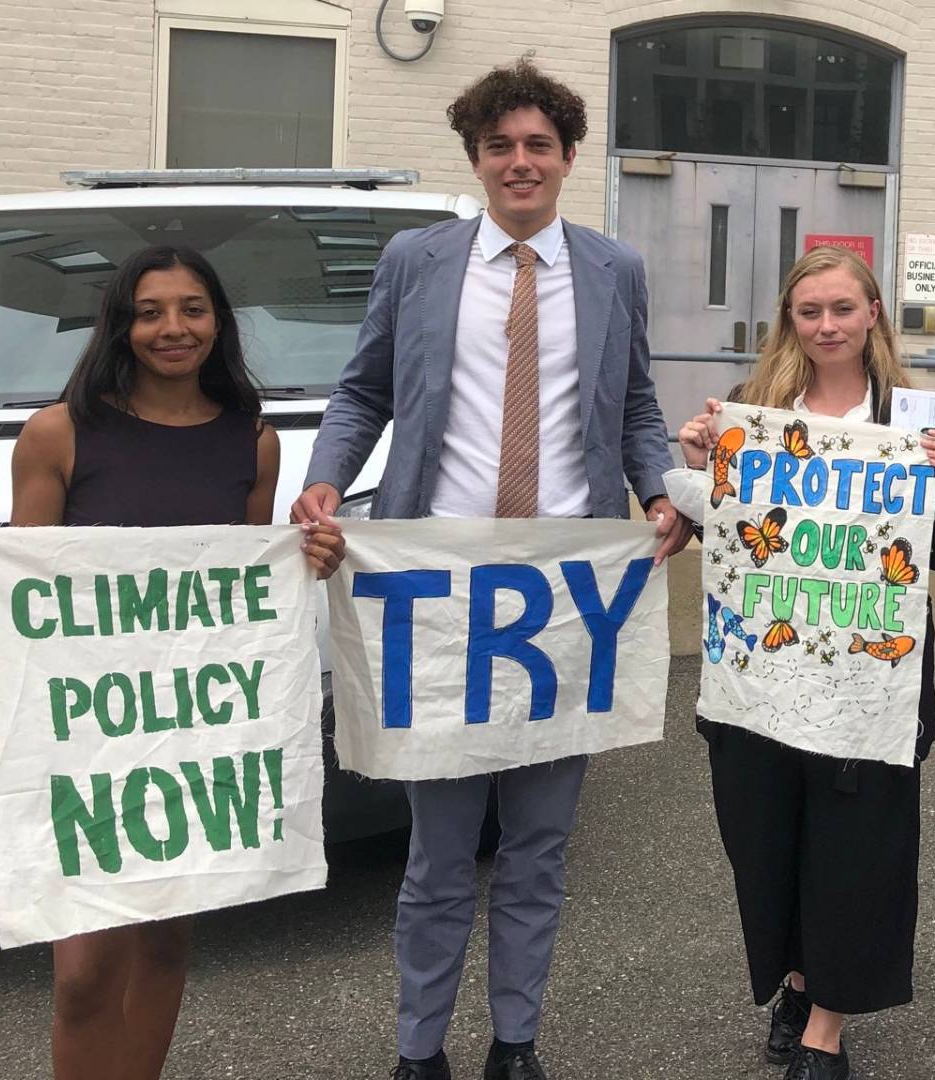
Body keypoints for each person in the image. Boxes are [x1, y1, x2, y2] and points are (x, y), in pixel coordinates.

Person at [288, 59, 688, 1080]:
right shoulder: (418, 262)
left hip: (566, 594)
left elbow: (636, 406)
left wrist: (655, 490)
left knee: (540, 845)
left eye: (538, 146)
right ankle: (419, 1051)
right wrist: (328, 479)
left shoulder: (613, 270)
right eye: (501, 145)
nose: (520, 162)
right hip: (439, 583)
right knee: (437, 852)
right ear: (476, 158)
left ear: (564, 160)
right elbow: (363, 390)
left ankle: (517, 1042)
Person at [0, 245, 345, 1080]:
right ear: (121, 324)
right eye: (150, 311)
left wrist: (310, 557)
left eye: (191, 308)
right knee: (81, 973)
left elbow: (244, 583)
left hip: (194, 731)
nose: (172, 328)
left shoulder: (251, 441)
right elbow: (34, 582)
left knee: (166, 940)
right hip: (86, 733)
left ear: (218, 322)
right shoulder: (59, 433)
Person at [678, 245, 935, 1080]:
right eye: (808, 311)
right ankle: (796, 978)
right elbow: (726, 538)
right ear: (791, 319)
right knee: (766, 844)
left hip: (872, 683)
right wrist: (699, 464)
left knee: (857, 857)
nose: (825, 326)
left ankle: (826, 1029)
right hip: (759, 677)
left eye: (842, 310)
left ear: (873, 314)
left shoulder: (915, 417)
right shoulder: (756, 409)